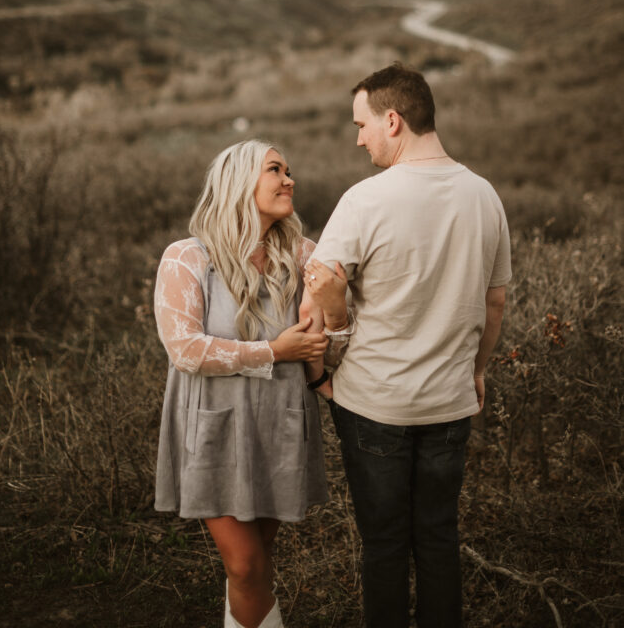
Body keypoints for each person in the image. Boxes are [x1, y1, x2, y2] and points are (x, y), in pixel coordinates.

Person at [303, 61, 510, 628]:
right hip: (449, 402)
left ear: (392, 120)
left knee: (385, 546)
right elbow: (495, 303)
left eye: (362, 125)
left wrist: (322, 372)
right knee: (439, 539)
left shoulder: (365, 200)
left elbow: (319, 288)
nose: (360, 137)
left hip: (374, 404)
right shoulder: (485, 196)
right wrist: (477, 370)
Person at [153, 139, 349, 628]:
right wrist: (272, 352)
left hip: (278, 423)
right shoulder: (187, 258)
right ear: (239, 182)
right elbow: (185, 350)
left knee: (255, 562)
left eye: (289, 171)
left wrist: (335, 316)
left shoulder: (305, 256)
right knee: (245, 565)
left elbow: (329, 346)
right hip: (213, 427)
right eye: (275, 170)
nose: (290, 180)